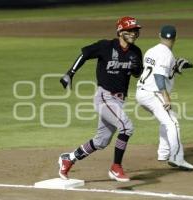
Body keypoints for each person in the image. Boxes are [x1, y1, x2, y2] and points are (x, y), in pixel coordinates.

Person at [58, 16, 143, 182]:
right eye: (131, 30)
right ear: (120, 31)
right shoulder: (106, 46)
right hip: (104, 97)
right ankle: (115, 167)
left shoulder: (136, 52)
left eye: (136, 30)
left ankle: (69, 158)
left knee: (101, 141)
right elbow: (85, 54)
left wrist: (135, 67)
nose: (134, 33)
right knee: (127, 127)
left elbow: (137, 74)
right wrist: (70, 73)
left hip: (119, 101)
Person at [135, 25, 193, 170]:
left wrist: (175, 67)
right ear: (175, 38)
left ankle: (164, 153)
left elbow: (158, 69)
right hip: (153, 93)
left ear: (160, 35)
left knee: (166, 119)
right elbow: (158, 75)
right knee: (173, 123)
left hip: (141, 93)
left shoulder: (152, 50)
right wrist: (166, 96)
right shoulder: (167, 54)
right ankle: (177, 158)